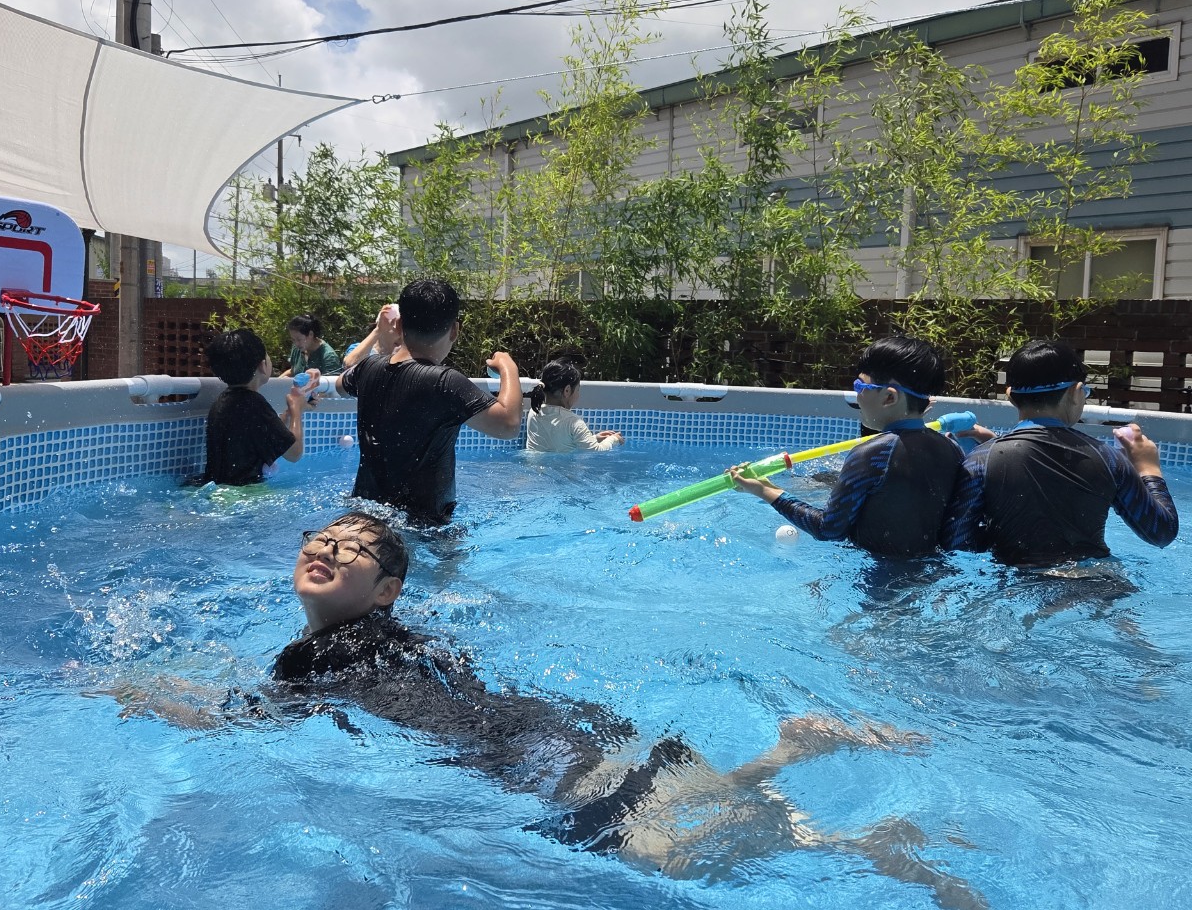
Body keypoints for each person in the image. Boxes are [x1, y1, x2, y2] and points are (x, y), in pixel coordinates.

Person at [255, 511, 982, 909]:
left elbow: (257, 718)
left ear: (387, 592)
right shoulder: (401, 638)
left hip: (526, 754)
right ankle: (815, 790)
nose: (329, 549)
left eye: (350, 550)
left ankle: (823, 799)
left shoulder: (308, 657)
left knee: (669, 855)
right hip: (557, 723)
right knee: (690, 823)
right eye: (322, 538)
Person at [942, 339, 1178, 567]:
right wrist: (1149, 468)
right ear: (1076, 392)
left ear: (1010, 396)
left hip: (1016, 584)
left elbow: (957, 543)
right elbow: (1161, 532)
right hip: (1096, 582)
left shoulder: (982, 460)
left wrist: (993, 445)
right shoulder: (1108, 458)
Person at [729, 335, 964, 557]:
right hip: (931, 574)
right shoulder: (951, 448)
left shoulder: (872, 454)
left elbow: (829, 530)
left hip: (874, 576)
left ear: (889, 398)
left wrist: (765, 490)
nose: (857, 396)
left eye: (860, 387)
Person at [340, 279, 522, 526]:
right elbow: (509, 425)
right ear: (454, 330)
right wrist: (509, 368)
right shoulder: (445, 382)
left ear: (399, 325)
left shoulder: (368, 367)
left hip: (362, 516)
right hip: (425, 527)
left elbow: (340, 385)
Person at [196, 328, 317, 486]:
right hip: (244, 492)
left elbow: (263, 433)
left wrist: (289, 413)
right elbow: (295, 453)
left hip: (218, 487)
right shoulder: (255, 404)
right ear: (262, 365)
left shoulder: (223, 401)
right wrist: (296, 410)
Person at [525, 356, 623, 452]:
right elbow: (596, 450)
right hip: (561, 464)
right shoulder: (573, 422)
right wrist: (614, 439)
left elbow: (556, 441)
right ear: (567, 391)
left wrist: (593, 438)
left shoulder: (534, 412)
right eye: (578, 390)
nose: (578, 394)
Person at [342, 303, 400, 370]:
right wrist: (378, 330)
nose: (401, 334)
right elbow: (350, 365)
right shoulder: (359, 348)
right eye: (398, 329)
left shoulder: (404, 353)